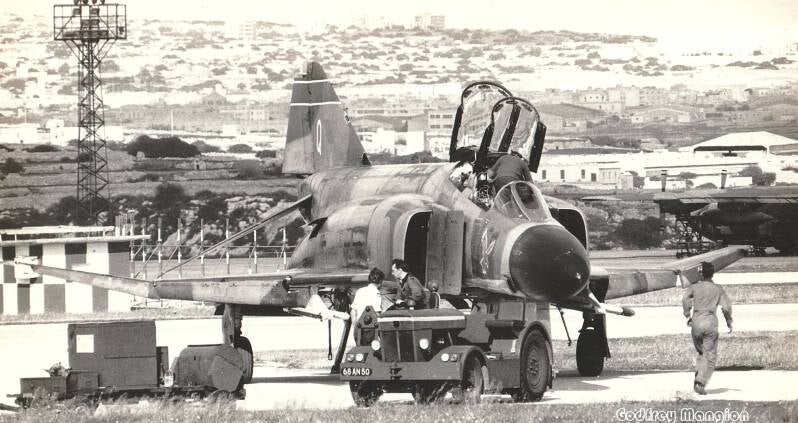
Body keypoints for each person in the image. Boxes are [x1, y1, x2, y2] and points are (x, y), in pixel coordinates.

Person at [682, 261, 733, 395]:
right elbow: (726, 307)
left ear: (700, 274)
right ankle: (700, 382)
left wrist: (687, 315)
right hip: (710, 322)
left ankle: (699, 376)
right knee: (709, 354)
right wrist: (729, 321)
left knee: (701, 353)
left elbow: (685, 299)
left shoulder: (693, 287)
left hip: (696, 322)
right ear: (712, 273)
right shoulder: (718, 289)